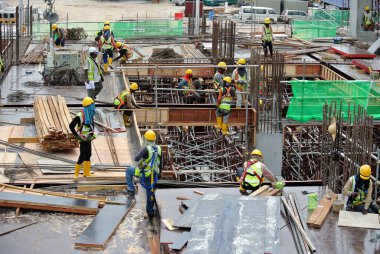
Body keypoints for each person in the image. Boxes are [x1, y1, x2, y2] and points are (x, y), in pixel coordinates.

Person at [125, 130, 162, 219]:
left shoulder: (146, 149)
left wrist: (143, 154)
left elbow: (136, 158)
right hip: (155, 173)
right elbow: (161, 163)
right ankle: (150, 212)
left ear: (146, 139)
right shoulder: (159, 148)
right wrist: (159, 173)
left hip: (146, 173)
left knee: (128, 171)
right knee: (151, 191)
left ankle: (131, 189)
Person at [69, 97, 97, 180]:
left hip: (89, 137)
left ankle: (86, 172)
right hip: (83, 138)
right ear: (88, 106)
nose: (93, 106)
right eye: (92, 104)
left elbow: (91, 125)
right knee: (82, 155)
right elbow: (71, 126)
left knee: (88, 154)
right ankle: (76, 174)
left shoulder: (90, 113)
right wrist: (77, 136)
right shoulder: (80, 116)